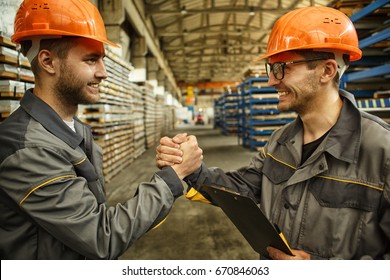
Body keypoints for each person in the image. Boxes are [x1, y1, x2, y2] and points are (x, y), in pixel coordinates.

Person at [156, 6, 390, 260]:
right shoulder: (280, 141)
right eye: (271, 68)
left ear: (327, 70)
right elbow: (242, 188)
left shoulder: (382, 151)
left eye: (282, 68)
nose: (271, 81)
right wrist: (191, 168)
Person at [0, 0, 202, 259]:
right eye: (91, 60)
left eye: (102, 60)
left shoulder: (74, 132)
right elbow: (101, 236)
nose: (103, 72)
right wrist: (174, 176)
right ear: (48, 61)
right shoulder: (29, 149)